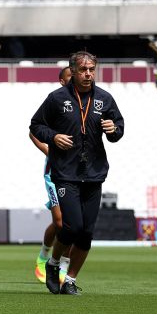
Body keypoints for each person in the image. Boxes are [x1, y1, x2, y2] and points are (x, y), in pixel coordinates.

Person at [30, 51, 125, 295]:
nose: (88, 74)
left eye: (91, 69)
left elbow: (119, 129)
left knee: (86, 234)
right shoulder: (56, 98)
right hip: (65, 172)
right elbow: (36, 125)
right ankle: (52, 264)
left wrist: (113, 129)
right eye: (83, 69)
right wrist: (53, 136)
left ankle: (70, 279)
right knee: (71, 227)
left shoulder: (104, 98)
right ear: (73, 71)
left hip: (93, 173)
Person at [32, 67, 73, 284]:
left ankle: (62, 266)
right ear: (61, 81)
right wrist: (49, 149)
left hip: (76, 172)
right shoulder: (56, 103)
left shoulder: (83, 103)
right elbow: (33, 130)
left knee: (71, 223)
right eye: (69, 77)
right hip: (54, 172)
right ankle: (43, 258)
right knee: (60, 222)